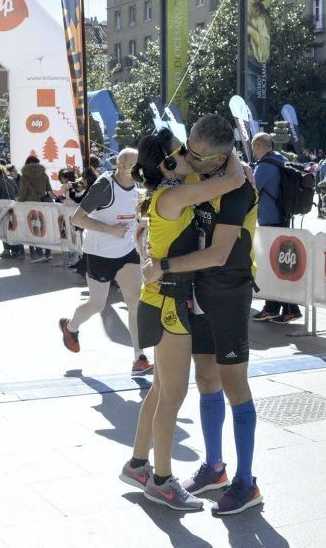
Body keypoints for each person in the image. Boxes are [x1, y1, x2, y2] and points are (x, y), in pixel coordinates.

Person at [119, 126, 245, 512]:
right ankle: (161, 480)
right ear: (167, 163)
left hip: (160, 297)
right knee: (172, 396)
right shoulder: (175, 193)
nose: (192, 158)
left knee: (159, 390)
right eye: (184, 152)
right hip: (170, 302)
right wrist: (228, 143)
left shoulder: (164, 192)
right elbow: (235, 178)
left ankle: (138, 464)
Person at [142, 115, 263, 515]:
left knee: (234, 384)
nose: (185, 158)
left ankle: (247, 483)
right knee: (206, 378)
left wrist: (163, 267)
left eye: (195, 154)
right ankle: (215, 468)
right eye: (186, 148)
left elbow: (218, 254)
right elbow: (170, 162)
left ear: (217, 159)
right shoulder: (198, 166)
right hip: (198, 292)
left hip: (229, 291)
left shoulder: (237, 190)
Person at [59, 148, 154, 375]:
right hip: (99, 253)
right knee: (97, 304)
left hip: (127, 252)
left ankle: (139, 357)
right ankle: (70, 326)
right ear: (120, 166)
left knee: (135, 302)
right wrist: (109, 229)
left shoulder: (139, 189)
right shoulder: (104, 186)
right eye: (134, 167)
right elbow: (77, 219)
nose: (139, 171)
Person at [250, 132, 302, 324]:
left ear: (258, 147)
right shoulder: (280, 160)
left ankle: (282, 308)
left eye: (254, 147)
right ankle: (278, 308)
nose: (253, 152)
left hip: (269, 222)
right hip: (281, 219)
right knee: (279, 266)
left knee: (274, 267)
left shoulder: (264, 166)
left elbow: (251, 191)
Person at [19, 156, 53, 263]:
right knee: (44, 228)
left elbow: (23, 192)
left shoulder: (24, 176)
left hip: (30, 205)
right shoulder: (43, 174)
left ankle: (39, 253)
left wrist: (19, 202)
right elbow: (49, 190)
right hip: (43, 205)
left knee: (33, 229)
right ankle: (48, 253)